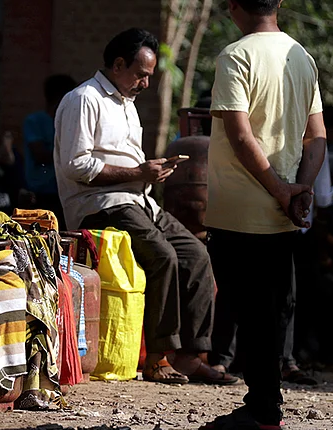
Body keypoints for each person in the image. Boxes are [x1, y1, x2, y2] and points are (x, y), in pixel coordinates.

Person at [54, 28, 237, 387]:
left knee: (197, 253)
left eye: (150, 76)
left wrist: (150, 173)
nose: (145, 83)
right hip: (97, 203)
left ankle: (191, 356)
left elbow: (129, 167)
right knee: (162, 255)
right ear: (118, 64)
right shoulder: (83, 99)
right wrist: (140, 171)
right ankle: (157, 358)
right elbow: (76, 166)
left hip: (137, 199)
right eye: (141, 74)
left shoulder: (126, 103)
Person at [200, 0, 326, 430]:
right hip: (283, 211)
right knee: (267, 309)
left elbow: (238, 133)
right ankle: (265, 405)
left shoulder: (235, 56)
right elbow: (317, 137)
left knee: (250, 311)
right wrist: (300, 191)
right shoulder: (302, 57)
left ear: (232, 4)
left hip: (243, 210)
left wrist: (278, 189)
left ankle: (262, 409)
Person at [23, 74, 77, 224]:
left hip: (63, 192)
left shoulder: (67, 123)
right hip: (42, 192)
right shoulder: (35, 121)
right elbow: (39, 154)